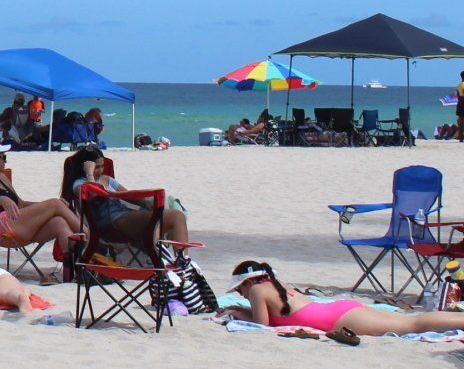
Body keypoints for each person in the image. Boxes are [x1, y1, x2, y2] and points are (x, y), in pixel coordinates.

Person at [226, 260, 464, 339]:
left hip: (336, 318)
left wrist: (240, 313)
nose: (242, 294)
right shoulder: (275, 283)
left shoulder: (256, 290)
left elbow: (262, 324)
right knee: (412, 320)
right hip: (339, 310)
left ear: (247, 282)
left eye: (240, 290)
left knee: (412, 325)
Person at [0, 140, 80, 265]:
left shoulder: (2, 177)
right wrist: (1, 199)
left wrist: (48, 207)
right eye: (3, 157)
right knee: (54, 204)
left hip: (16, 223)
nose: (5, 161)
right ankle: (90, 237)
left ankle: (73, 266)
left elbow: (21, 204)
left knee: (59, 222)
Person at [61, 145, 188, 244]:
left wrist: (145, 202)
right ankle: (156, 251)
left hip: (123, 214)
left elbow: (127, 195)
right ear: (85, 167)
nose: (100, 171)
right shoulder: (78, 184)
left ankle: (183, 259)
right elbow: (92, 194)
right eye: (96, 167)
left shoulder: (107, 179)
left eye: (102, 166)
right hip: (110, 222)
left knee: (176, 215)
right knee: (170, 217)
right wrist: (89, 173)